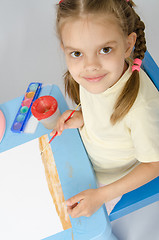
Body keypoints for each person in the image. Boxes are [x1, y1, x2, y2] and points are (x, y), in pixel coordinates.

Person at [51, 0, 159, 217]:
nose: (91, 65)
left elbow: (154, 164)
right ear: (64, 48)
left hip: (110, 181)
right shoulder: (98, 78)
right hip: (88, 154)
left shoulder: (141, 109)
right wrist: (83, 117)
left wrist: (101, 196)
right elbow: (104, 113)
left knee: (70, 224)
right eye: (77, 54)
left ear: (128, 45)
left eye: (105, 49)